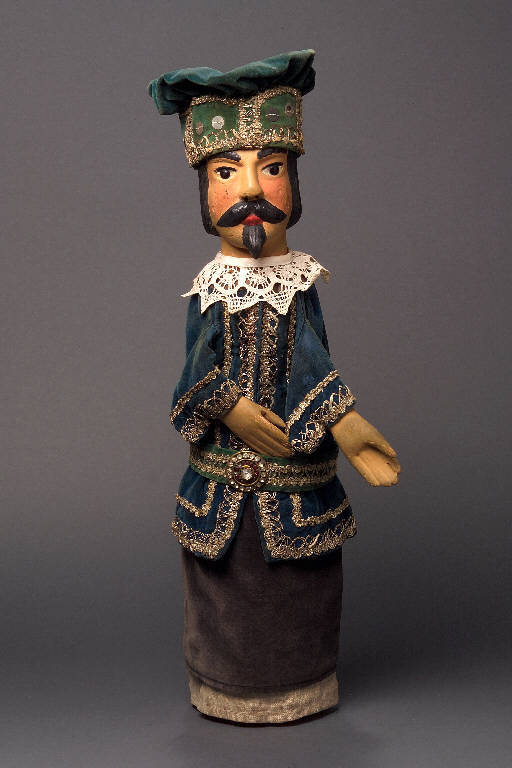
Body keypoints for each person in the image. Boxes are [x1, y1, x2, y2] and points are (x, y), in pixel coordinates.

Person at [148, 49, 401, 724]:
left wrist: (345, 423)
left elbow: (312, 358)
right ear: (203, 190)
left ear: (294, 181)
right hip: (223, 490)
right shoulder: (211, 288)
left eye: (272, 168)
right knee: (225, 595)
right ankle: (223, 687)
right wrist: (226, 404)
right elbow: (192, 372)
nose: (250, 190)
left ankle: (302, 685)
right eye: (226, 172)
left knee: (300, 594)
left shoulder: (301, 283)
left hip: (297, 485)